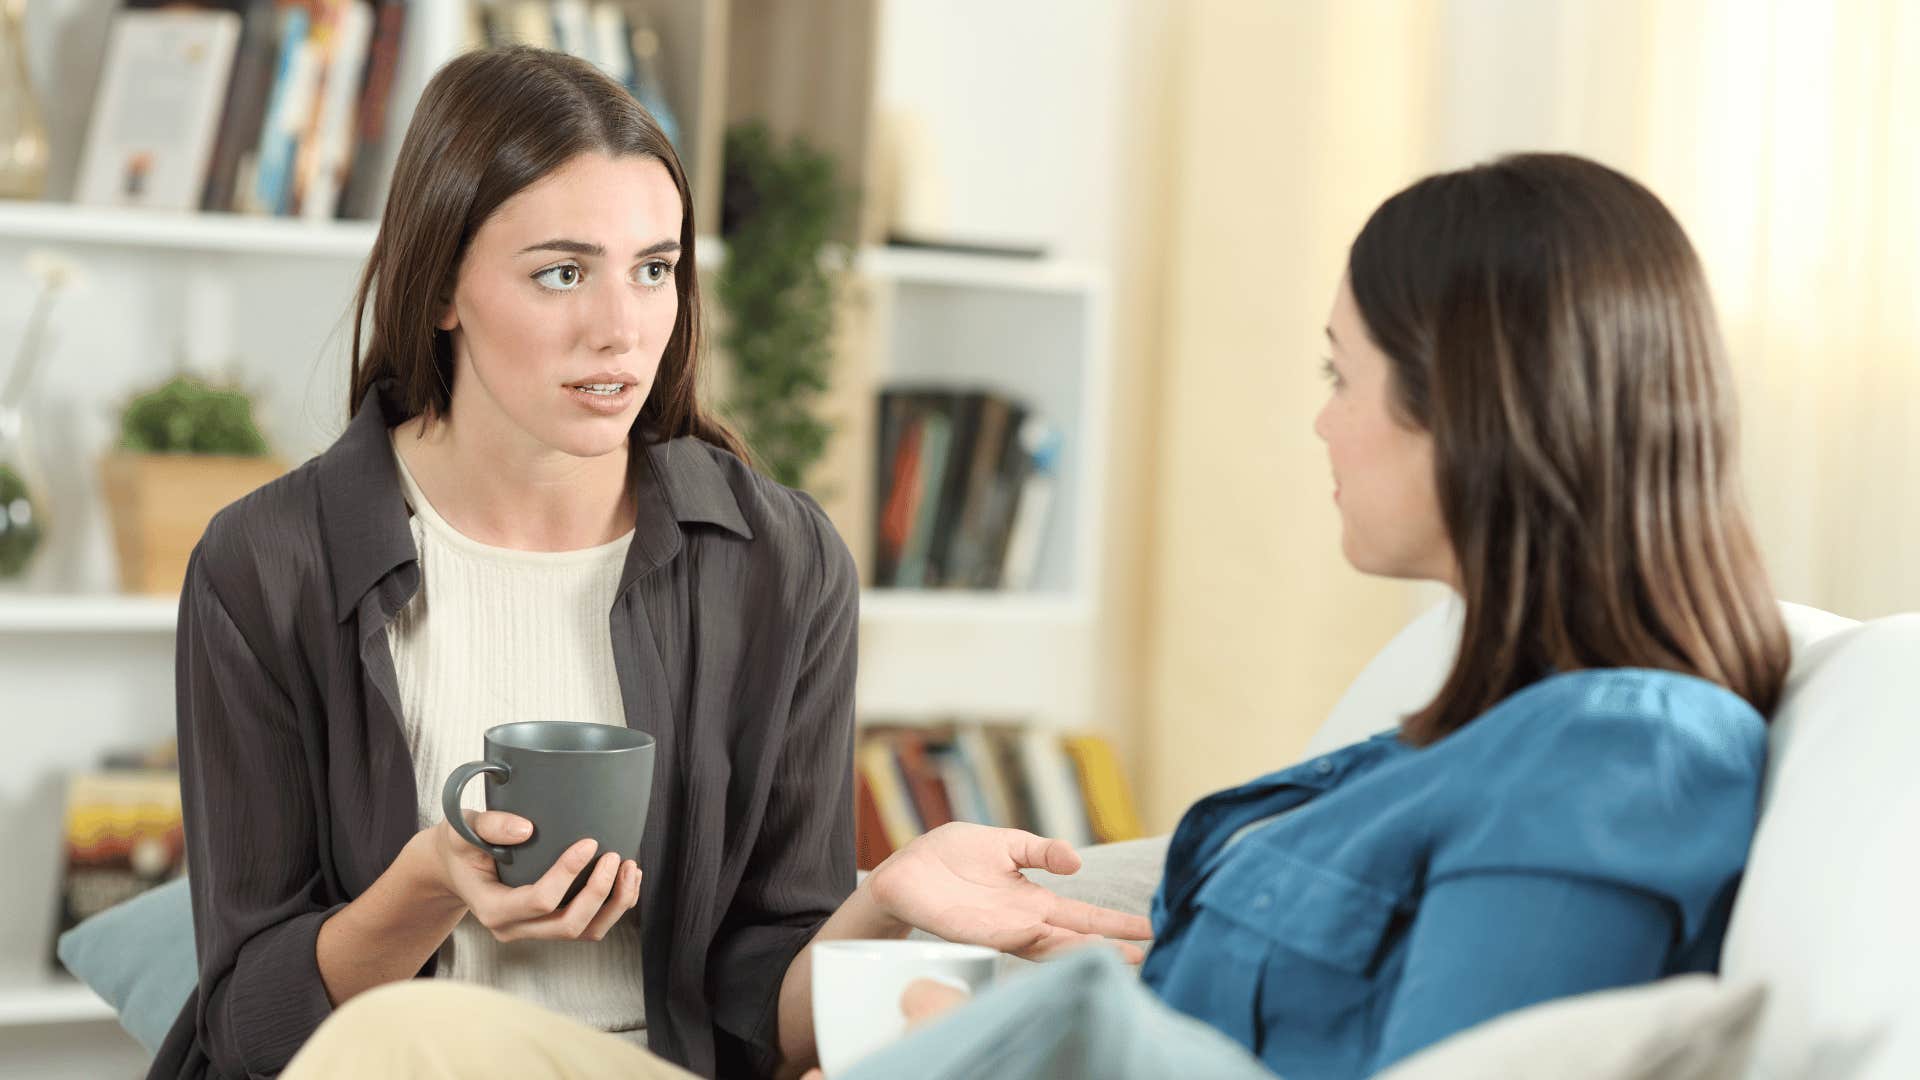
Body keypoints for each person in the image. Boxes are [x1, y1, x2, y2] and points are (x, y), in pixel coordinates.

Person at [281, 140, 1793, 1080]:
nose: (1322, 427)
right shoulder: (1453, 735)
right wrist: (1012, 970)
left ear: (1474, 410)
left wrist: (1027, 1035)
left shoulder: (1621, 759)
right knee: (410, 1040)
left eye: (1343, 376)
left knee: (417, 1048)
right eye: (562, 272)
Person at [154, 46, 1148, 1080]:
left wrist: (883, 898)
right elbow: (253, 1032)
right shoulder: (268, 564)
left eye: (655, 269)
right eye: (562, 272)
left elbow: (771, 1014)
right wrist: (430, 883)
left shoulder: (779, 562)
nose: (621, 330)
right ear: (443, 286)